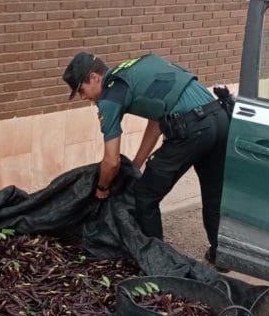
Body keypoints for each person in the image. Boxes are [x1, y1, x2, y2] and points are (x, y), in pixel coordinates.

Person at [62, 51, 233, 267]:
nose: (83, 97)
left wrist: (102, 188)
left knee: (144, 196)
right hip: (219, 117)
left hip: (191, 130)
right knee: (213, 192)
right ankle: (221, 257)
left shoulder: (110, 97)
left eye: (81, 89)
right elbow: (157, 120)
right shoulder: (133, 69)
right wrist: (136, 164)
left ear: (95, 77)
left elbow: (111, 161)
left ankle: (157, 262)